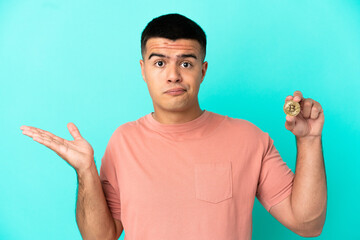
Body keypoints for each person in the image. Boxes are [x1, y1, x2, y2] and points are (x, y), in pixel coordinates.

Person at [20, 13, 327, 240]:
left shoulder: (248, 138)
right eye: (159, 62)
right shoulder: (123, 141)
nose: (173, 75)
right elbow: (100, 237)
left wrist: (310, 140)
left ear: (203, 70)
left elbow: (307, 223)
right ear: (142, 70)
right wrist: (85, 171)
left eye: (186, 62)